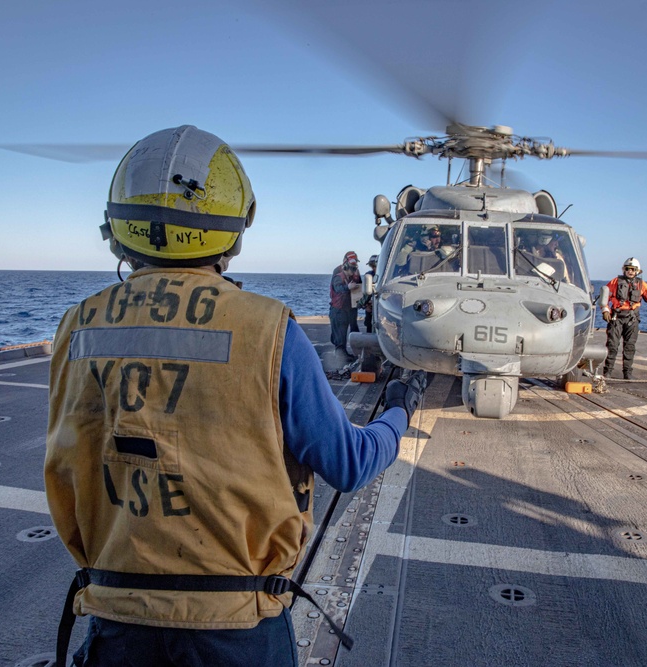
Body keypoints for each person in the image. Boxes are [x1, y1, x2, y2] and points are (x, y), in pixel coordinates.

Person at [44, 125, 425, 667]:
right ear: (234, 231)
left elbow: (66, 461)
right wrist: (397, 411)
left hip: (115, 624)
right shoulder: (268, 331)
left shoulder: (76, 329)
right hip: (236, 632)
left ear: (117, 230)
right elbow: (349, 462)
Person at [600, 257, 647, 379]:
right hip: (616, 319)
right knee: (612, 345)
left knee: (630, 347)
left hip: (632, 320)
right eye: (628, 269)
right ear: (623, 270)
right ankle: (608, 371)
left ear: (638, 271)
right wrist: (605, 311)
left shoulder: (642, 285)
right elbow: (604, 298)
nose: (630, 271)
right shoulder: (615, 282)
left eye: (633, 269)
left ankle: (627, 373)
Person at [330, 251, 362, 357]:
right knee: (340, 332)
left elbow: (360, 286)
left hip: (351, 307)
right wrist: (347, 288)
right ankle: (340, 355)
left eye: (355, 267)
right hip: (339, 307)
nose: (354, 270)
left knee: (354, 329)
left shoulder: (355, 273)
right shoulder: (338, 274)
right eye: (352, 268)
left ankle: (357, 352)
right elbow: (337, 288)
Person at [363, 254, 378, 333]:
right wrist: (366, 305)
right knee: (369, 326)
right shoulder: (368, 275)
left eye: (374, 266)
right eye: (372, 266)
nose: (373, 268)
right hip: (370, 307)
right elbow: (364, 293)